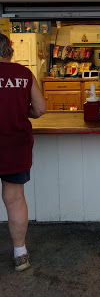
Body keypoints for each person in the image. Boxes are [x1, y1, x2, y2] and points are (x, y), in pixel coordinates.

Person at [0, 32, 47, 271]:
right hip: (15, 146)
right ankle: (20, 254)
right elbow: (40, 109)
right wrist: (21, 110)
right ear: (10, 50)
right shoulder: (24, 73)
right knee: (15, 198)